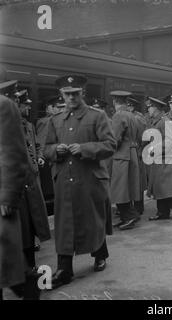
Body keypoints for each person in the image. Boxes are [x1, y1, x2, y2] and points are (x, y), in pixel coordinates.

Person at [44, 75, 116, 289]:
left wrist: (85, 149)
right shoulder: (55, 119)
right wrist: (54, 150)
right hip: (64, 179)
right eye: (67, 94)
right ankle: (64, 268)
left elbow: (110, 145)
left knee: (93, 217)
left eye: (75, 93)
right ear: (62, 95)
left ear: (82, 93)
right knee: (64, 222)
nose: (72, 97)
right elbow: (46, 148)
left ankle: (100, 254)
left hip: (90, 178)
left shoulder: (97, 116)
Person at [15, 89, 51, 284]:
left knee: (32, 218)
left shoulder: (28, 125)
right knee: (22, 223)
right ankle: (24, 269)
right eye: (25, 104)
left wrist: (39, 156)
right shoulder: (8, 125)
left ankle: (30, 264)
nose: (28, 106)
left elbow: (35, 145)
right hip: (19, 180)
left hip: (32, 177)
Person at [0, 81, 32, 300]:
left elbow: (12, 153)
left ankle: (31, 287)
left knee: (7, 262)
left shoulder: (4, 106)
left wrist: (8, 196)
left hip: (1, 200)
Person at [146, 97, 172, 220]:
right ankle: (162, 212)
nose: (148, 109)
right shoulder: (158, 121)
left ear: (156, 108)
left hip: (166, 158)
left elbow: (170, 141)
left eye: (150, 107)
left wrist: (154, 148)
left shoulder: (165, 121)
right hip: (160, 158)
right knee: (159, 186)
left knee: (165, 186)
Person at [110, 91, 142, 231]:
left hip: (121, 155)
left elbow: (114, 139)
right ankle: (130, 214)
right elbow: (140, 136)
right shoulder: (132, 115)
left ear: (114, 101)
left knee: (120, 189)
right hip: (132, 152)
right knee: (127, 187)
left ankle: (128, 217)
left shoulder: (118, 116)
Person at [126, 96, 148, 214]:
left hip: (137, 152)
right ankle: (132, 206)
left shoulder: (137, 118)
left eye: (129, 105)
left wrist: (139, 150)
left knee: (137, 181)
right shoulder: (130, 117)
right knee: (131, 180)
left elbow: (142, 137)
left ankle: (138, 207)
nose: (127, 107)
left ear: (133, 107)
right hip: (132, 152)